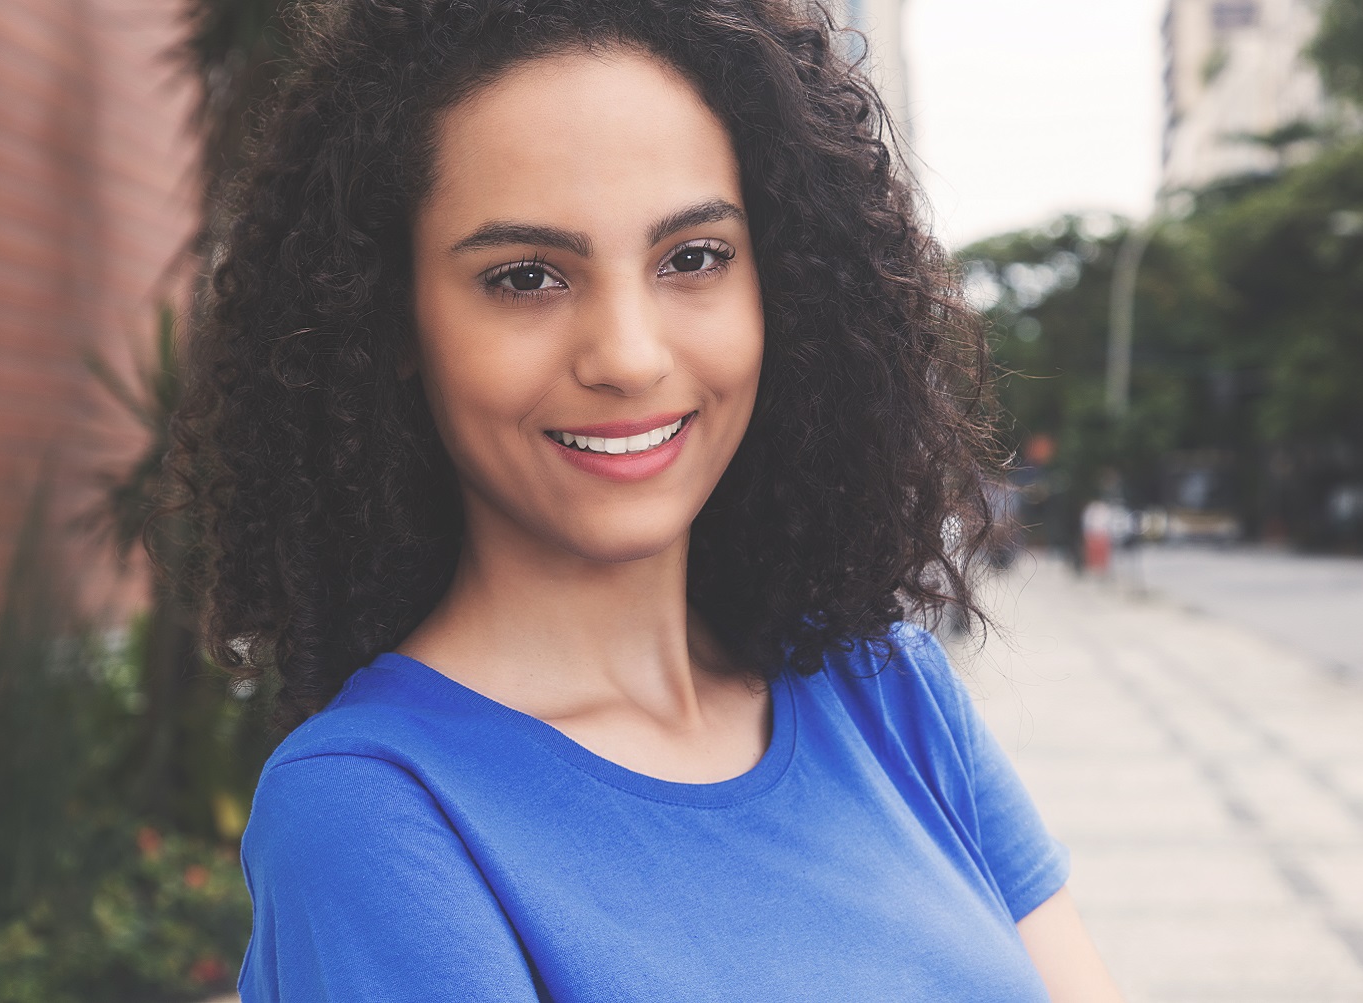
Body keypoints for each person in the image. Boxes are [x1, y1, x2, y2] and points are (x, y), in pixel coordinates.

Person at [174, 1, 1124, 999]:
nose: (628, 356)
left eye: (694, 258)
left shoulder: (893, 694)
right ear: (392, 320)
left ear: (783, 286)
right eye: (527, 276)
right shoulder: (375, 811)